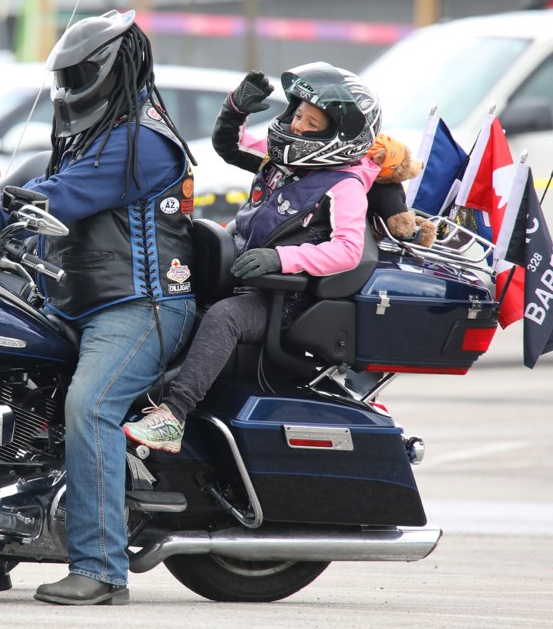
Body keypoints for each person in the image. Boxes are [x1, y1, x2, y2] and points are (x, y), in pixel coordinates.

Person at [0, 9, 198, 606]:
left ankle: (103, 569)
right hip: (73, 302)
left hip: (141, 307)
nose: (66, 86)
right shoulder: (97, 131)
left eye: (79, 72)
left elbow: (62, 196)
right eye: (62, 73)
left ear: (111, 69)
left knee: (90, 407)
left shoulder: (143, 140)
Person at [123, 62, 382, 453]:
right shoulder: (282, 162)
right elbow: (230, 145)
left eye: (312, 124)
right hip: (241, 278)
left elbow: (348, 250)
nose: (297, 127)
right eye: (298, 115)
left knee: (223, 318)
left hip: (283, 298)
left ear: (340, 135)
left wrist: (283, 260)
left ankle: (173, 416)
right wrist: (236, 108)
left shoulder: (344, 185)